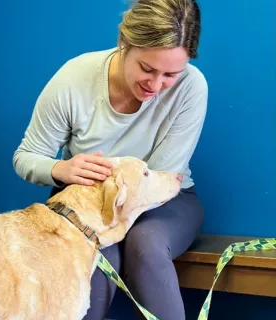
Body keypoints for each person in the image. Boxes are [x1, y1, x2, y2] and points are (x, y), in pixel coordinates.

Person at [13, 0, 208, 319]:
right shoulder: (73, 79)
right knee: (92, 262)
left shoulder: (193, 86)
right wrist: (60, 168)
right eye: (147, 68)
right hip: (84, 202)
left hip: (162, 200)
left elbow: (159, 176)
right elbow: (26, 157)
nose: (156, 85)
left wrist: (109, 227)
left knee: (145, 246)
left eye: (171, 74)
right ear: (124, 43)